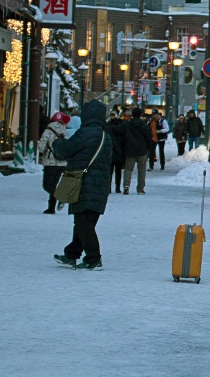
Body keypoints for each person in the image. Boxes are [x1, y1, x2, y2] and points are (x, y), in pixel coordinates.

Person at [52, 100, 117, 270]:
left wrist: (56, 143)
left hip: (84, 183)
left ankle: (93, 259)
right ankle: (71, 254)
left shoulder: (85, 133)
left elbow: (66, 151)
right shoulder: (105, 136)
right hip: (100, 185)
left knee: (83, 223)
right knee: (85, 221)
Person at [35, 112, 72, 213]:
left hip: (50, 162)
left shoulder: (48, 130)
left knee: (47, 185)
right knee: (54, 184)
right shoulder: (65, 130)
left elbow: (41, 146)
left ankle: (58, 199)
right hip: (62, 162)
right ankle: (51, 208)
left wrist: (43, 151)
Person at [117, 108, 152, 194]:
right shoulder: (144, 125)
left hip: (129, 150)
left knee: (128, 169)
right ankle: (140, 189)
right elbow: (148, 138)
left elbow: (116, 130)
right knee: (141, 171)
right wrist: (148, 149)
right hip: (142, 150)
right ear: (140, 115)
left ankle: (126, 186)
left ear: (132, 114)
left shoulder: (126, 124)